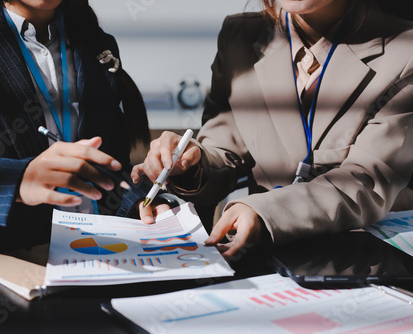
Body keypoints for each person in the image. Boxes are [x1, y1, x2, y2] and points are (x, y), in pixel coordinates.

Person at [132, 0, 413, 259]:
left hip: (364, 258)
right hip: (264, 258)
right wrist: (191, 162)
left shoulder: (405, 50)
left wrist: (266, 212)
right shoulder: (241, 34)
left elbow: (366, 181)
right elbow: (226, 147)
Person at [0, 0, 167, 245]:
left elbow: (108, 162)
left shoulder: (95, 40)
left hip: (92, 248)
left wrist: (140, 202)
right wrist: (18, 182)